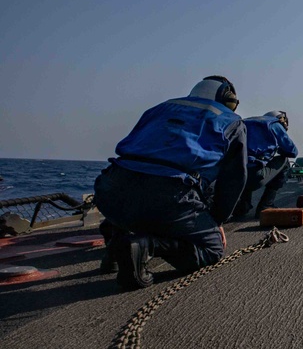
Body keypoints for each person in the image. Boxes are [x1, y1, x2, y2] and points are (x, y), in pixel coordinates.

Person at [94, 76, 247, 290]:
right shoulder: (231, 121)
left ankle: (115, 246)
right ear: (227, 98)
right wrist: (217, 220)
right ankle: (147, 246)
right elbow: (234, 179)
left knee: (133, 199)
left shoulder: (158, 109)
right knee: (212, 249)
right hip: (168, 198)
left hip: (110, 190)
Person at [230, 110, 298, 219]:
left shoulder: (244, 123)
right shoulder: (274, 125)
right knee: (284, 161)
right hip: (254, 176)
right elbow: (293, 151)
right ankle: (266, 205)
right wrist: (279, 149)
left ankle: (243, 206)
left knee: (244, 164)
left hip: (233, 175)